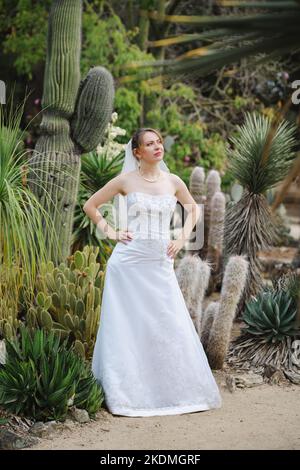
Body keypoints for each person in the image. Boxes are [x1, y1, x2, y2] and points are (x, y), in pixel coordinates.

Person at [83, 127, 222, 417]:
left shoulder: (173, 181)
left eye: (159, 141)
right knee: (126, 327)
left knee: (167, 321)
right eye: (150, 143)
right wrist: (111, 232)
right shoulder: (125, 180)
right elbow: (91, 205)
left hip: (159, 263)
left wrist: (181, 239)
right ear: (137, 152)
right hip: (127, 264)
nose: (157, 146)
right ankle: (125, 395)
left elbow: (193, 209)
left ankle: (173, 391)